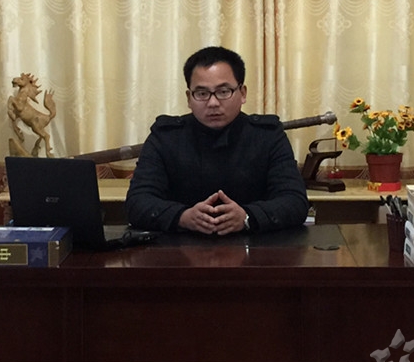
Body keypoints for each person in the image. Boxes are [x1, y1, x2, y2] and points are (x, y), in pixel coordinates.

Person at [124, 46, 309, 235]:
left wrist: (247, 217)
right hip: (180, 245)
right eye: (202, 94)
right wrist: (183, 217)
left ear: (243, 93)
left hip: (254, 246)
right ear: (189, 98)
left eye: (223, 91)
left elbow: (294, 201)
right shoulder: (166, 137)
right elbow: (138, 202)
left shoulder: (267, 135)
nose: (213, 103)